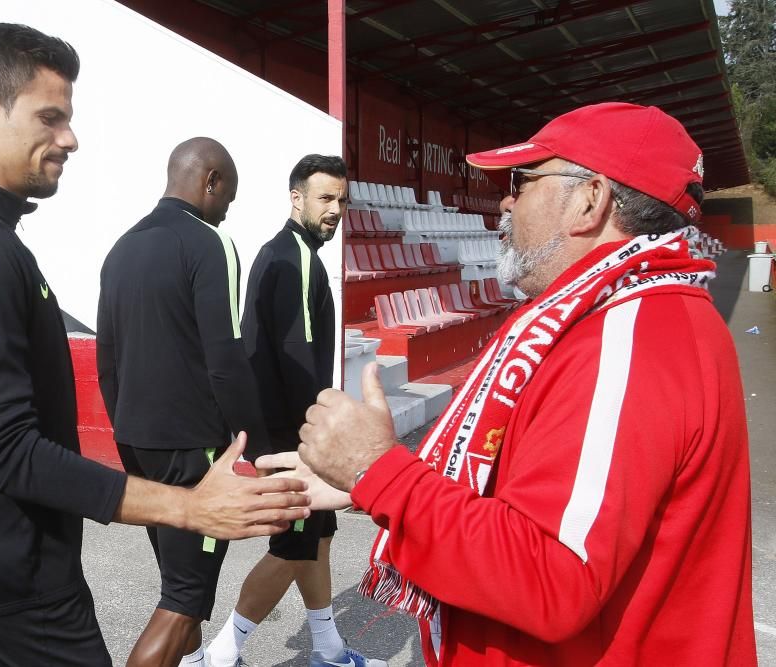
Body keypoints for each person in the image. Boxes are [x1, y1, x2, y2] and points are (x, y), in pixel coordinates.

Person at [258, 102, 757, 666]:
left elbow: (552, 576)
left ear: (590, 199)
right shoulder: (619, 318)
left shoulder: (629, 337)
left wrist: (383, 474)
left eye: (523, 181)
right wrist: (362, 482)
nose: (505, 201)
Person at [0, 24, 309, 667]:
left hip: (11, 574)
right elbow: (3, 448)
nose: (70, 138)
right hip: (14, 588)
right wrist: (192, 507)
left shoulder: (2, 240)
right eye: (51, 117)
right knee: (183, 599)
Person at [97, 137, 274, 667]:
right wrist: (254, 446)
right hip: (192, 449)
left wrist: (124, 426)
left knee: (181, 587)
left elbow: (107, 358)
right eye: (229, 197)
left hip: (136, 440)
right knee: (184, 599)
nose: (227, 210)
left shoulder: (122, 246)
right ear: (211, 180)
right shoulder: (208, 243)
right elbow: (226, 357)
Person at [206, 155, 385, 667]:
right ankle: (222, 655)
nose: (335, 210)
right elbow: (300, 361)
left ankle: (327, 651)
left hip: (283, 432)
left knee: (316, 540)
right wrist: (322, 448)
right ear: (296, 198)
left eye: (342, 201)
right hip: (292, 439)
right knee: (292, 550)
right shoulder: (297, 257)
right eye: (325, 198)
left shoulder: (281, 253)